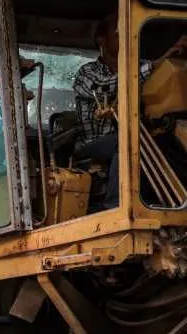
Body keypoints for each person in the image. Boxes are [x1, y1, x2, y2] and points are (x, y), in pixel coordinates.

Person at [73, 13, 187, 209]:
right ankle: (114, 206)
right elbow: (106, 87)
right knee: (127, 141)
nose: (125, 38)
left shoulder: (141, 65)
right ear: (101, 40)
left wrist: (174, 53)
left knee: (169, 145)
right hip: (92, 144)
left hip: (139, 136)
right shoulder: (87, 73)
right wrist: (159, 61)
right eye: (118, 34)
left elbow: (160, 77)